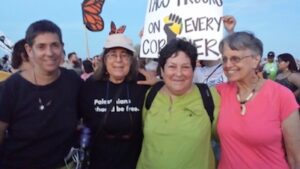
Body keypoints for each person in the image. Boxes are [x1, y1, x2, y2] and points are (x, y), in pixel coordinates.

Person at [0, 20, 82, 169]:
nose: (49, 53)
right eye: (41, 47)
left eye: (55, 45)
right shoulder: (12, 87)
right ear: (29, 50)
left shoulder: (73, 81)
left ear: (62, 47)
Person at [216, 31, 300, 169]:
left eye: (235, 59)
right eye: (224, 59)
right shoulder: (220, 92)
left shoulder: (282, 96)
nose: (228, 64)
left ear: (256, 60)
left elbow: (296, 158)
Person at [136, 38, 220, 169]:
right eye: (172, 66)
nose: (179, 73)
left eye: (186, 67)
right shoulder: (151, 95)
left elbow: (230, 141)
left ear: (194, 70)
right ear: (162, 71)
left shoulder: (209, 97)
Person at [80, 33, 157, 169]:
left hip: (135, 164)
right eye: (113, 54)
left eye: (124, 55)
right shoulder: (90, 86)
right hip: (98, 163)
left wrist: (158, 83)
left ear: (131, 60)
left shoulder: (143, 84)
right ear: (104, 59)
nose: (118, 60)